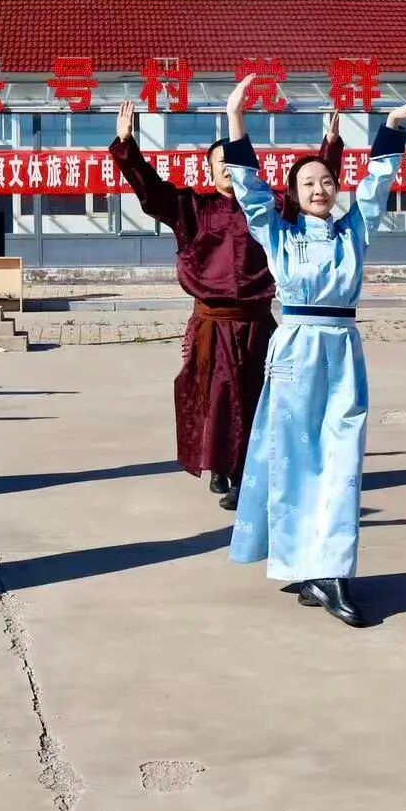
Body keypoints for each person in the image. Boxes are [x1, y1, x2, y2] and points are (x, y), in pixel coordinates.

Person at [221, 76, 406, 628]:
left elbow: (378, 182)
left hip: (343, 349)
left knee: (341, 459)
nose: (319, 187)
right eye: (308, 181)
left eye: (327, 179)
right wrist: (236, 120)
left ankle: (333, 569)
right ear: (293, 192)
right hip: (294, 349)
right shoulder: (279, 234)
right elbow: (249, 191)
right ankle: (302, 564)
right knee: (293, 458)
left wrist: (393, 126)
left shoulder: (354, 230)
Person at [108, 103, 343, 512]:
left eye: (234, 163)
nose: (228, 170)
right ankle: (222, 464)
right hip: (211, 325)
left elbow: (311, 191)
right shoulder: (192, 209)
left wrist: (331, 146)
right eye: (220, 164)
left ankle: (242, 475)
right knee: (215, 398)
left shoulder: (269, 210)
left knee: (256, 400)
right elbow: (151, 191)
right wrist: (128, 146)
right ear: (210, 171)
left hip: (257, 324)